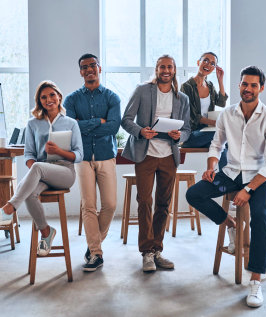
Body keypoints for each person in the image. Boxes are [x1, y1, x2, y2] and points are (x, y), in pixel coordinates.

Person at [186, 66, 266, 307]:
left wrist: (248, 190)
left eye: (253, 85)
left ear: (261, 88)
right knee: (194, 194)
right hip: (230, 173)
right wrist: (211, 166)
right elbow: (216, 146)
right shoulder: (227, 114)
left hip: (258, 177)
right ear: (238, 85)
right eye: (244, 84)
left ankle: (256, 282)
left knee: (260, 217)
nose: (247, 89)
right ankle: (230, 224)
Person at [121, 54, 190, 272]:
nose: (166, 70)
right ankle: (146, 252)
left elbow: (187, 129)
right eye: (162, 67)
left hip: (169, 155)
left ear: (175, 70)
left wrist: (179, 136)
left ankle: (157, 249)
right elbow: (126, 120)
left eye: (169, 67)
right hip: (146, 153)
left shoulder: (182, 98)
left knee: (163, 203)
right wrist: (141, 131)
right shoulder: (142, 90)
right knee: (144, 202)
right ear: (156, 69)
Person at [1, 81, 83, 256]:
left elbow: (79, 155)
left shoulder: (71, 123)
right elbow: (29, 155)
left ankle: (9, 208)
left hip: (65, 172)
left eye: (52, 95)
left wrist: (58, 151)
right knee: (29, 193)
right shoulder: (33, 124)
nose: (49, 99)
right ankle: (46, 233)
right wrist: (35, 169)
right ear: (40, 101)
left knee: (37, 168)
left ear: (59, 96)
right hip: (40, 173)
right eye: (43, 97)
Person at [64, 53, 121, 272]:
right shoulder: (71, 99)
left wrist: (84, 124)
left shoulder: (111, 97)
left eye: (92, 65)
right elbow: (71, 128)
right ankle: (96, 253)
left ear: (99, 68)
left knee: (110, 205)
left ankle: (93, 243)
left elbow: (114, 127)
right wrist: (99, 121)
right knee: (88, 205)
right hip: (83, 157)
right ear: (80, 72)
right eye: (84, 67)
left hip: (106, 155)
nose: (89, 69)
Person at [181, 52, 228, 169]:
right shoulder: (187, 87)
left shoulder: (210, 86)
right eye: (205, 60)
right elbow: (193, 116)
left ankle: (226, 178)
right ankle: (227, 178)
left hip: (207, 133)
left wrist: (220, 80)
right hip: (191, 135)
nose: (208, 64)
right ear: (198, 62)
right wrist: (216, 123)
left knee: (224, 145)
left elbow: (221, 103)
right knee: (220, 134)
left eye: (213, 63)